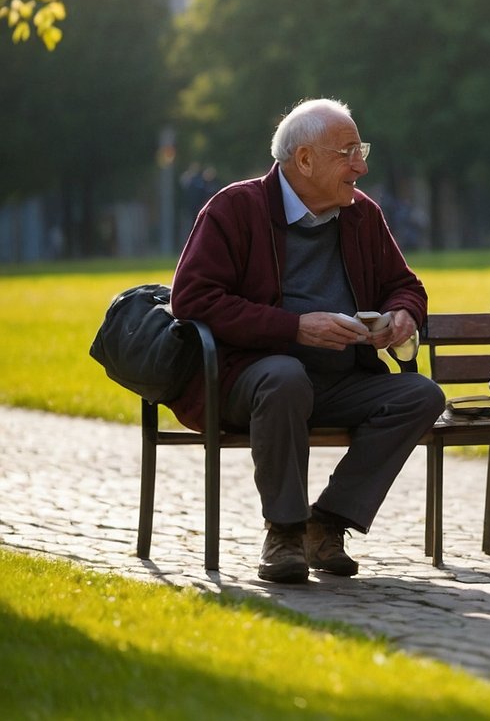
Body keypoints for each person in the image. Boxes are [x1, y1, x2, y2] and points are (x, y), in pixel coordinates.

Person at [170, 98, 445, 584]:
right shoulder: (235, 208)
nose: (360, 166)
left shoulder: (362, 214)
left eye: (362, 151)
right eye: (348, 152)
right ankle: (284, 532)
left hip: (341, 381)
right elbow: (193, 299)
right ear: (304, 160)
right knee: (285, 375)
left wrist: (403, 314)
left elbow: (406, 284)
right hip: (250, 380)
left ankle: (328, 522)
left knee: (420, 395)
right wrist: (294, 327)